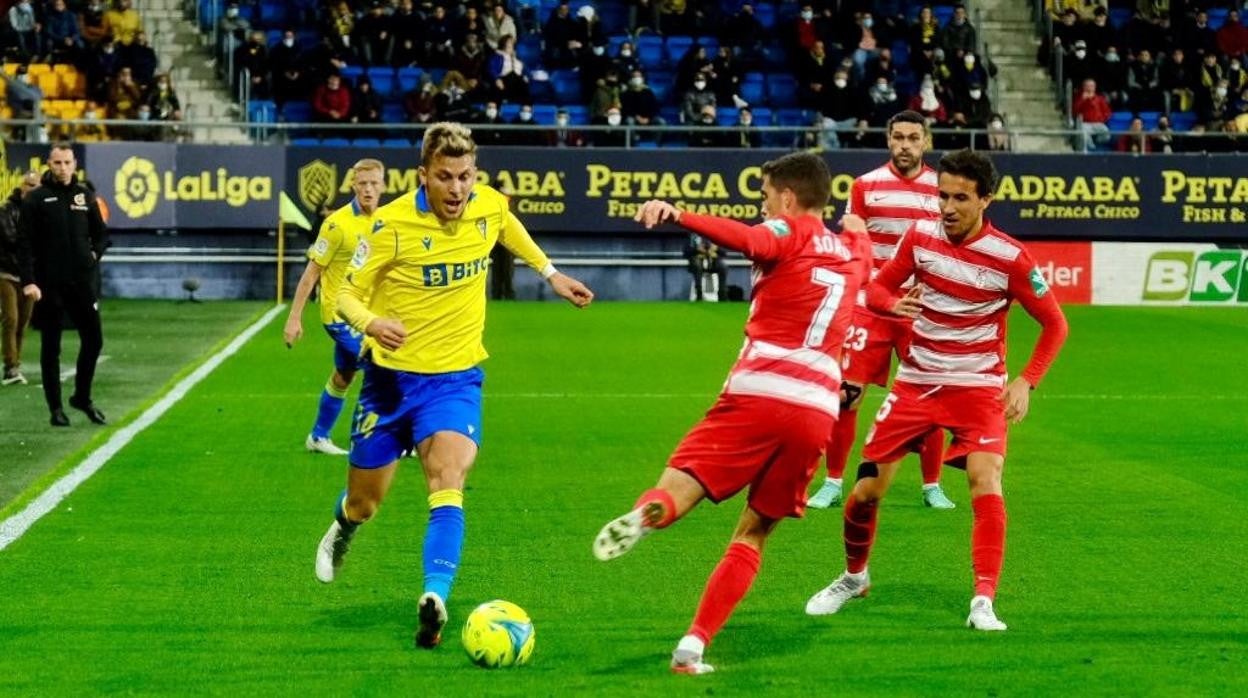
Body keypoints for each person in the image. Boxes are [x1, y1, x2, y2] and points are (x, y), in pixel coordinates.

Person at [313, 123, 594, 649]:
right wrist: (370, 322)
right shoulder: (390, 225)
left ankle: (435, 596)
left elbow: (507, 224)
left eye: (466, 176)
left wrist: (551, 273)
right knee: (365, 502)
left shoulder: (487, 204)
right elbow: (344, 293)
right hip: (389, 385)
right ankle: (344, 528)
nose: (458, 189)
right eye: (445, 177)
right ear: (423, 175)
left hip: (454, 381)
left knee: (448, 479)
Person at [592, 151, 873, 675]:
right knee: (753, 533)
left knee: (680, 485)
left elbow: (748, 240)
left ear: (787, 199)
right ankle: (693, 645)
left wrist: (678, 214)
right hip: (816, 408)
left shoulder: (787, 232)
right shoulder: (855, 251)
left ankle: (654, 510)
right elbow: (864, 260)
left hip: (759, 388)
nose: (762, 207)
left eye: (766, 197)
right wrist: (858, 230)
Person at [804, 149, 1069, 632]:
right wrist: (893, 304)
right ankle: (853, 577)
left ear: (986, 199)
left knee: (985, 481)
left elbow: (1055, 324)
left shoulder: (1010, 256)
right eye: (942, 195)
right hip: (917, 384)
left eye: (961, 198)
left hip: (978, 389)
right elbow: (879, 290)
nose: (947, 206)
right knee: (865, 493)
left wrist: (1027, 380)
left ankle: (983, 600)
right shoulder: (920, 236)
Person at [809, 111, 955, 511]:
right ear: (888, 140)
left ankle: (932, 486)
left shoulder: (941, 190)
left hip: (921, 310)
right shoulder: (865, 186)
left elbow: (945, 247)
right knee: (847, 397)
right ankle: (833, 481)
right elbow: (855, 245)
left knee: (928, 397)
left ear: (926, 141)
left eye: (912, 138)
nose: (904, 145)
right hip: (870, 307)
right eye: (897, 137)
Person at [283, 159, 386, 455]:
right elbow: (311, 274)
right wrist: (294, 318)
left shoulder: (386, 220)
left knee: (344, 375)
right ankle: (376, 440)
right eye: (362, 183)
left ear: (383, 185)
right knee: (383, 368)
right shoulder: (336, 224)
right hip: (338, 316)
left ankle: (318, 437)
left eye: (373, 183)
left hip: (367, 314)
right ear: (353, 185)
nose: (368, 189)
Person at [16, 144, 108, 427]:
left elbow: (101, 235)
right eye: (57, 163)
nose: (63, 168)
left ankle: (82, 396)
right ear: (49, 164)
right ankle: (55, 408)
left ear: (75, 164)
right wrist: (29, 281)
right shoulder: (35, 199)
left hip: (81, 282)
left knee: (94, 339)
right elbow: (24, 243)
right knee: (51, 346)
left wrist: (94, 255)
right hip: (49, 284)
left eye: (67, 162)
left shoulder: (85, 196)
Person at [1, 171, 40, 385]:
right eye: (29, 184)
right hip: (5, 272)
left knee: (22, 322)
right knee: (11, 319)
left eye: (35, 186)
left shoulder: (41, 212)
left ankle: (15, 364)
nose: (31, 189)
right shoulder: (6, 210)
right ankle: (10, 367)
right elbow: (11, 239)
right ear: (21, 186)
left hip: (29, 277)